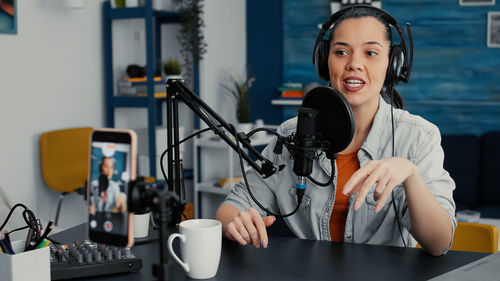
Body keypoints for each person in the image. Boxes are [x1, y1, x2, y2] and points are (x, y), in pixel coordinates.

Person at [216, 6, 456, 256]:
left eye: (371, 53)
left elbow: (439, 243)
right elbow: (234, 204)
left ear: (393, 64)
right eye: (341, 52)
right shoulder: (293, 132)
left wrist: (411, 175)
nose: (354, 64)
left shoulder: (418, 137)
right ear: (324, 61)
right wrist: (233, 222)